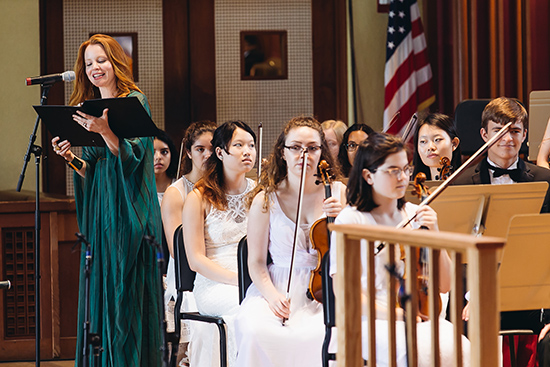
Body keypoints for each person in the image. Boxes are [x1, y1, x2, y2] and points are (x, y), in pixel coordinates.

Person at [51, 34, 162, 366]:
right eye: (88, 64)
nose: (95, 68)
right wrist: (71, 158)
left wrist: (105, 131)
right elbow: (98, 172)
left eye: (101, 60)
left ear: (116, 62)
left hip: (131, 215)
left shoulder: (134, 101)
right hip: (103, 215)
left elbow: (132, 161)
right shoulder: (87, 108)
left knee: (127, 292)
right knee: (101, 290)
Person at [330, 133, 470, 367]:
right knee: (412, 351)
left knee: (461, 348)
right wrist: (398, 315)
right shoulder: (350, 220)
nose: (403, 177)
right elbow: (345, 294)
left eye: (406, 169)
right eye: (393, 170)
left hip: (421, 316)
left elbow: (445, 284)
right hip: (371, 317)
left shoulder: (416, 213)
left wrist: (434, 232)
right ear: (368, 176)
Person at [235, 116, 346, 366]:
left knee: (326, 334)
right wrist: (273, 297)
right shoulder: (265, 200)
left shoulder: (339, 193)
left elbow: (356, 253)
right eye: (295, 147)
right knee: (255, 331)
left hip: (327, 288)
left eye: (312, 148)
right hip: (277, 286)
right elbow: (256, 262)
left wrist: (345, 221)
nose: (303, 155)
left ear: (322, 152)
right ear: (282, 153)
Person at [454, 97, 550, 367]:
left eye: (515, 130)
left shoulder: (545, 180)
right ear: (484, 134)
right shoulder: (460, 184)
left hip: (531, 291)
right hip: (475, 291)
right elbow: (459, 254)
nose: (508, 138)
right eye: (499, 130)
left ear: (525, 135)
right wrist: (476, 294)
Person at [182, 120, 257, 367]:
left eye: (252, 145)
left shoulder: (260, 193)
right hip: (215, 283)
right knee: (247, 312)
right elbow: (195, 259)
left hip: (254, 277)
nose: (248, 151)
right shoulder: (198, 197)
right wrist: (238, 279)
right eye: (239, 145)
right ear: (220, 152)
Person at [160, 120, 216, 366]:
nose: (207, 155)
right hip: (189, 275)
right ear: (188, 152)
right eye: (200, 149)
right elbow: (176, 250)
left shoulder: (225, 187)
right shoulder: (176, 192)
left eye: (213, 149)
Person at [412, 113, 461, 181]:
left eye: (437, 140)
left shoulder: (469, 182)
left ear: (454, 143)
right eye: (423, 141)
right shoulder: (410, 187)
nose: (430, 147)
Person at [154, 130, 178, 205]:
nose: (158, 157)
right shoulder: (138, 190)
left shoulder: (179, 186)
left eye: (164, 152)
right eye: (152, 152)